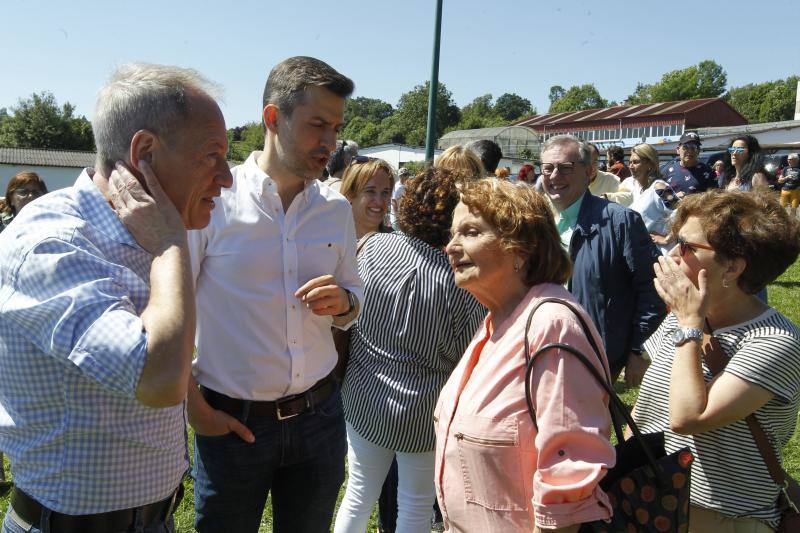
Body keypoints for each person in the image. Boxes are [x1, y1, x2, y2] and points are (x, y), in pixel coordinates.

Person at [0, 62, 233, 533]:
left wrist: (198, 410)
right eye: (212, 156)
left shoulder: (144, 227)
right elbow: (158, 377)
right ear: (144, 150)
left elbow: (168, 350)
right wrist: (170, 244)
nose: (226, 178)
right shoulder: (52, 242)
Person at [187, 56, 364, 533]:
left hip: (320, 415)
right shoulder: (214, 201)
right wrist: (193, 407)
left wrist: (344, 302)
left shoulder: (336, 209)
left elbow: (354, 295)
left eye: (336, 127)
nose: (330, 142)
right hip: (234, 424)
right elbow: (171, 309)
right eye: (317, 125)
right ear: (272, 118)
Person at [434, 178, 615, 532]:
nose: (451, 247)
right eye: (453, 234)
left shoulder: (552, 324)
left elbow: (569, 472)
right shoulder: (498, 317)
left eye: (470, 232)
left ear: (521, 249)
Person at [633, 190, 800, 532]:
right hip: (651, 496)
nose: (673, 254)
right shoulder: (683, 316)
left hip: (722, 515)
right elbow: (649, 403)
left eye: (688, 247)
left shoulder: (774, 341)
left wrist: (690, 326)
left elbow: (688, 417)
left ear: (733, 267)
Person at [334, 167, 485, 533]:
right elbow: (471, 357)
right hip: (424, 411)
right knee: (415, 507)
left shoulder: (370, 246)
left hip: (365, 397)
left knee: (358, 493)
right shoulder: (463, 281)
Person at [540, 135, 665, 386]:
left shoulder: (620, 222)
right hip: (542, 350)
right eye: (548, 168)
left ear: (589, 172)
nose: (554, 176)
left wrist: (638, 349)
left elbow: (652, 289)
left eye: (566, 168)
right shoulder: (536, 222)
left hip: (596, 356)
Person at [340, 156, 394, 237]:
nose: (379, 201)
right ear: (349, 194)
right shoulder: (331, 242)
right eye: (370, 191)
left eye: (385, 192)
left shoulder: (399, 243)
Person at [663, 131, 718, 197]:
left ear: (698, 151)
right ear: (678, 150)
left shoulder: (708, 171)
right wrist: (673, 197)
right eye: (685, 147)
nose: (690, 151)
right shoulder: (667, 171)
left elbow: (715, 197)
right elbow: (660, 196)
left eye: (694, 147)